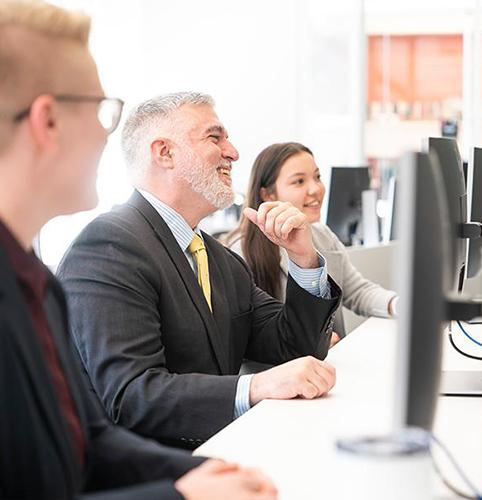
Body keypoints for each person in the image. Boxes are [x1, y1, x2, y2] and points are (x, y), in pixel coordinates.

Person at [0, 2, 278, 499]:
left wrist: (197, 473)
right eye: (103, 111)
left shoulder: (34, 283)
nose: (109, 135)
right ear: (47, 121)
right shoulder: (97, 252)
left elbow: (89, 443)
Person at [57, 92, 341, 449]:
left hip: (219, 453)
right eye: (214, 137)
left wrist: (303, 258)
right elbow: (131, 396)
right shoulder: (109, 246)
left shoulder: (219, 260)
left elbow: (296, 347)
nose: (233, 152)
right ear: (165, 153)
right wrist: (256, 387)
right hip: (147, 474)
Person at [224, 142, 398, 342]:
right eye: (299, 181)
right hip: (284, 370)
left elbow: (357, 291)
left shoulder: (322, 234)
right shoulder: (240, 251)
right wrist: (315, 344)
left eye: (317, 177)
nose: (315, 189)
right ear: (267, 194)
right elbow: (252, 338)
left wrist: (397, 304)